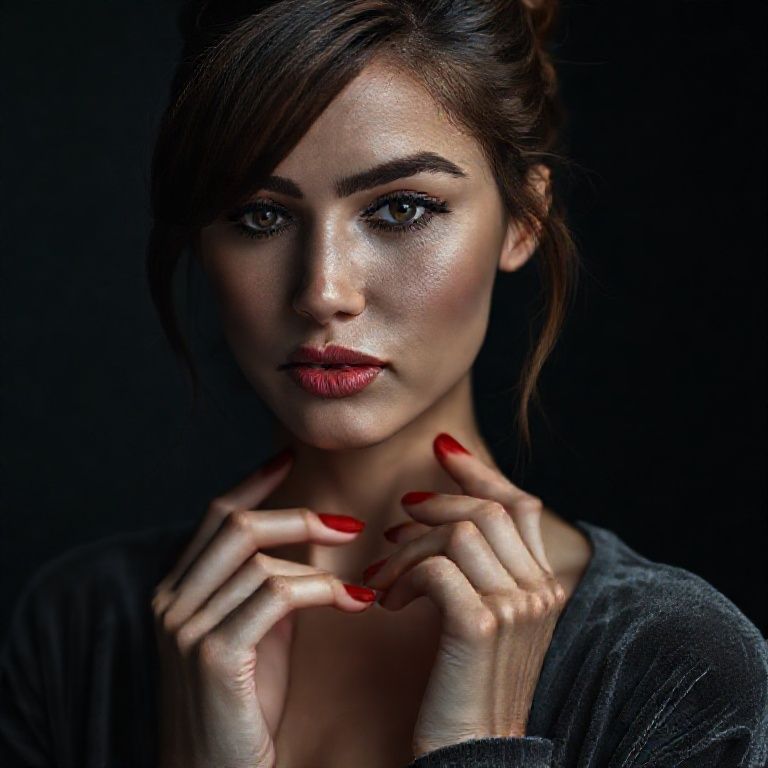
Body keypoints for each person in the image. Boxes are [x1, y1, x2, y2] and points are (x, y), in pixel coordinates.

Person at [1, 1, 766, 766]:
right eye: (259, 215)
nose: (324, 290)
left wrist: (479, 753)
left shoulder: (675, 664)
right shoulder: (82, 631)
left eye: (401, 208)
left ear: (524, 219)